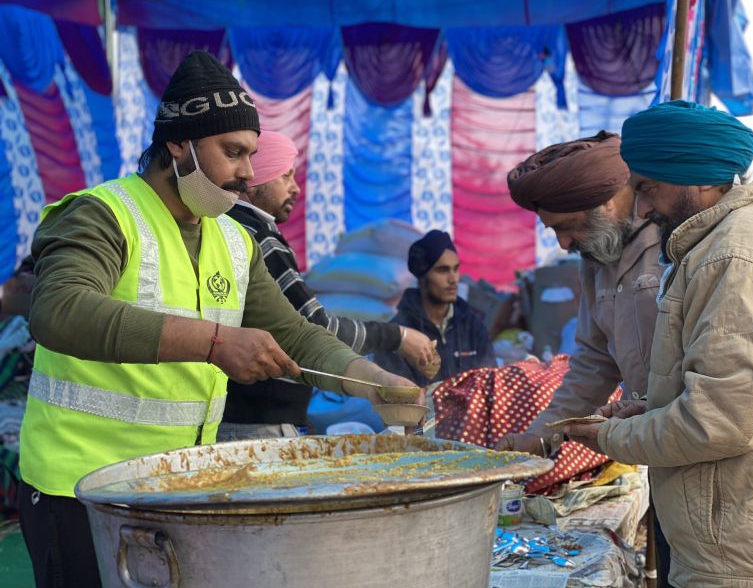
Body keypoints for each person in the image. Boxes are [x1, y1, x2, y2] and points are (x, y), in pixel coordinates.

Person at [16, 51, 416, 588]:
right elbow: (59, 312)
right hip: (80, 491)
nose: (248, 175)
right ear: (179, 144)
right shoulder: (101, 214)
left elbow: (294, 333)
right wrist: (214, 342)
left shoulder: (234, 238)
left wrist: (375, 381)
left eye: (251, 155)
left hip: (174, 487)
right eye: (233, 153)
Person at [564, 101, 753, 587]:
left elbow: (718, 423)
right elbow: (726, 390)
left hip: (741, 548)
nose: (644, 207)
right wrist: (649, 410)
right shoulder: (715, 245)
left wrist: (610, 438)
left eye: (649, 187)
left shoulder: (736, 254)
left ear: (697, 177)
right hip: (725, 531)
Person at [496, 131, 670, 585]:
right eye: (553, 229)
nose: (563, 242)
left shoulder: (675, 242)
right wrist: (541, 437)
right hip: (666, 457)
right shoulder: (597, 257)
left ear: (609, 201)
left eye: (567, 226)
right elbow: (593, 360)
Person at [219, 130, 436, 439]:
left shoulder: (228, 229)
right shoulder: (262, 239)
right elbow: (314, 330)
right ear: (257, 178)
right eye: (286, 176)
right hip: (256, 420)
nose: (295, 188)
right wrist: (396, 338)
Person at [373, 230, 495, 386]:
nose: (453, 279)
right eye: (442, 270)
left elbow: (491, 386)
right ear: (423, 276)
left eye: (455, 269)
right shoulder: (398, 336)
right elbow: (398, 402)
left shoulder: (473, 328)